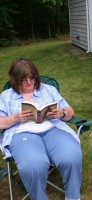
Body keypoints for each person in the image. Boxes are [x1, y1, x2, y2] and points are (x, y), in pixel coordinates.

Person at [0, 58, 82, 200]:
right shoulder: (6, 97)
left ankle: (73, 197)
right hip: (22, 133)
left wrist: (61, 113)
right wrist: (15, 118)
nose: (29, 83)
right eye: (23, 80)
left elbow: (70, 111)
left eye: (32, 78)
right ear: (14, 79)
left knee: (71, 156)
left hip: (52, 128)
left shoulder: (48, 90)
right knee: (33, 165)